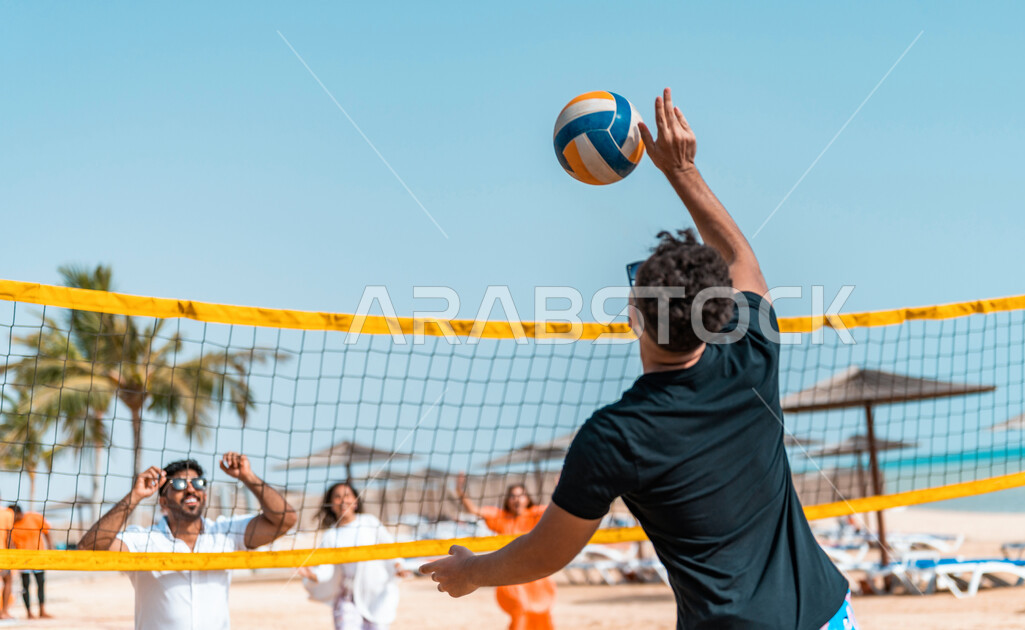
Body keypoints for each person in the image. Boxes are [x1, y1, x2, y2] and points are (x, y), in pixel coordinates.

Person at [422, 88, 856, 629]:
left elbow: (548, 552)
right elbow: (742, 257)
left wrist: (473, 573)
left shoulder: (614, 437)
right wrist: (682, 170)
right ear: (718, 314)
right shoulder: (751, 359)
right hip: (827, 614)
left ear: (635, 315)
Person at [78, 452, 298, 630]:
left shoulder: (225, 532)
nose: (191, 488)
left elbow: (285, 520)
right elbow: (89, 549)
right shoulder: (144, 539)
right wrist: (135, 496)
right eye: (180, 484)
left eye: (198, 483)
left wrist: (248, 477)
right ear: (163, 501)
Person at [454, 474, 556, 630]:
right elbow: (473, 510)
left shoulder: (535, 514)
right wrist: (460, 490)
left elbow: (558, 508)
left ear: (527, 499)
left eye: (521, 496)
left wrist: (562, 486)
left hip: (536, 576)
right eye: (513, 496)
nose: (517, 499)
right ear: (508, 500)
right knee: (520, 609)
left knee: (541, 613)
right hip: (512, 575)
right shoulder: (501, 517)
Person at [298, 482, 404, 630]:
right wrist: (312, 575)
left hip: (375, 593)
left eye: (347, 495)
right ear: (330, 504)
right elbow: (325, 569)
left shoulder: (369, 522)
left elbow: (390, 549)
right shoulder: (331, 535)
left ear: (356, 501)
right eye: (337, 497)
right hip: (347, 597)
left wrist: (398, 566)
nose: (343, 500)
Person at [8, 504, 53, 619]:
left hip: (38, 557)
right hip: (23, 560)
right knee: (25, 586)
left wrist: (51, 548)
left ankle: (42, 610)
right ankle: (29, 612)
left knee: (41, 584)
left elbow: (47, 532)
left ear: (17, 513)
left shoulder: (34, 517)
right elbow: (11, 543)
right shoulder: (11, 525)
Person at [0, 501, 13, 621]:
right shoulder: (7, 513)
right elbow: (9, 536)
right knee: (7, 580)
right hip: (2, 553)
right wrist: (13, 554)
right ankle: (3, 612)